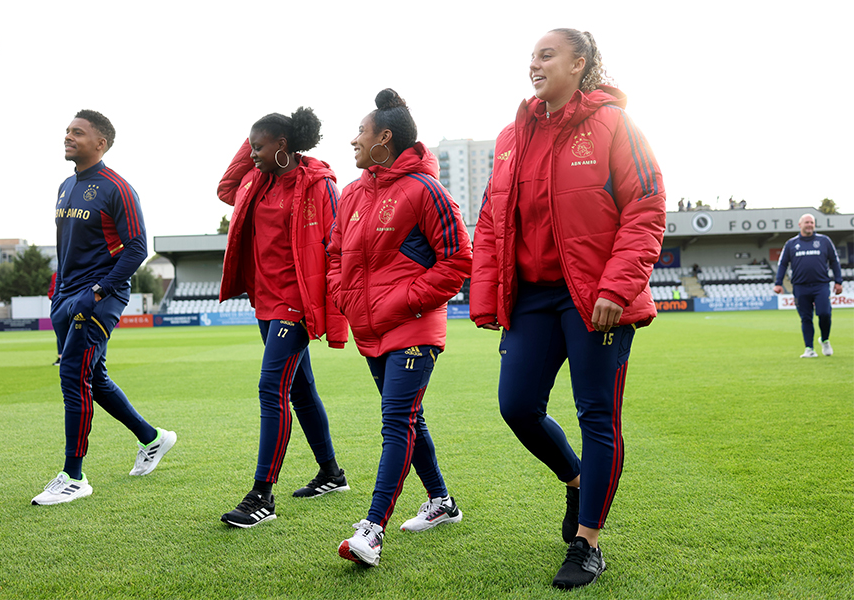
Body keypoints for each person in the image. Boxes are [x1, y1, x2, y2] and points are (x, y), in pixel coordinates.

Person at [470, 29, 666, 589]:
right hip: (532, 298)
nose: (533, 64)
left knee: (596, 416)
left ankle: (588, 543)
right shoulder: (512, 136)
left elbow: (647, 205)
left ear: (579, 64)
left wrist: (616, 287)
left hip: (595, 298)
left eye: (546, 55)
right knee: (517, 405)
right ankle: (575, 479)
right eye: (530, 57)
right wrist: (488, 294)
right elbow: (491, 219)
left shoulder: (615, 125)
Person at [328, 89, 472, 567]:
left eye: (361, 133)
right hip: (371, 329)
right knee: (412, 420)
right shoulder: (351, 195)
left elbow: (458, 261)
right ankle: (442, 503)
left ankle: (372, 530)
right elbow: (335, 256)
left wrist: (403, 301)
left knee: (395, 423)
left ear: (384, 138)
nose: (353, 140)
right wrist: (343, 297)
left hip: (412, 327)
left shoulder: (426, 190)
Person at [33, 110, 177, 505]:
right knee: (94, 378)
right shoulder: (65, 185)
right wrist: (56, 289)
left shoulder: (118, 188)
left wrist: (97, 291)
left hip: (99, 297)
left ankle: (73, 476)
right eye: (66, 131)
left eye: (77, 132)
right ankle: (152, 438)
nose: (68, 136)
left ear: (101, 143)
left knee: (72, 378)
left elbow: (137, 248)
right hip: (66, 295)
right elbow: (69, 248)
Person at [216, 107, 350, 528]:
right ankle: (332, 474)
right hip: (265, 302)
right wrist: (252, 139)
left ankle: (262, 495)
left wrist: (332, 306)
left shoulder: (318, 185)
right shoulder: (254, 181)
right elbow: (224, 188)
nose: (252, 154)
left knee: (271, 386)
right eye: (250, 147)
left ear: (284, 146)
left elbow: (337, 244)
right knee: (301, 390)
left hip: (296, 303)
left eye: (260, 146)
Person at [773, 213, 843, 357]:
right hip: (800, 286)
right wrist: (778, 283)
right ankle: (809, 349)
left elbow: (834, 261)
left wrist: (838, 281)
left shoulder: (824, 241)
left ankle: (824, 340)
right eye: (807, 222)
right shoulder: (791, 244)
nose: (809, 225)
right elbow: (783, 264)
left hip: (821, 285)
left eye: (811, 222)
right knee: (806, 318)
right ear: (800, 225)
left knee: (824, 314)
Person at [48, 272, 62, 366]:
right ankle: (61, 357)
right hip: (58, 303)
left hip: (71, 301)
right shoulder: (55, 275)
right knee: (60, 331)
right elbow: (50, 291)